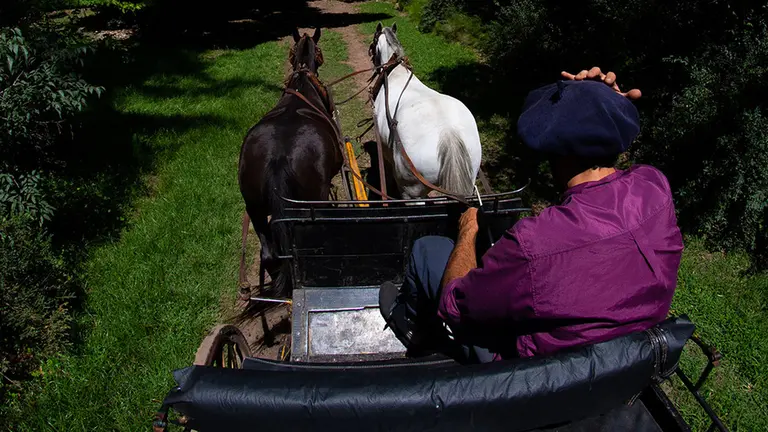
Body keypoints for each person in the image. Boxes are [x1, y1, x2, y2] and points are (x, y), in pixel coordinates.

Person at [379, 67, 684, 362]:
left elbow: (456, 305)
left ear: (551, 151)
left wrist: (469, 229)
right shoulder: (654, 187)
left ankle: (414, 329)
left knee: (428, 249)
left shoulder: (534, 245)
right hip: (621, 360)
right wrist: (605, 103)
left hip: (532, 374)